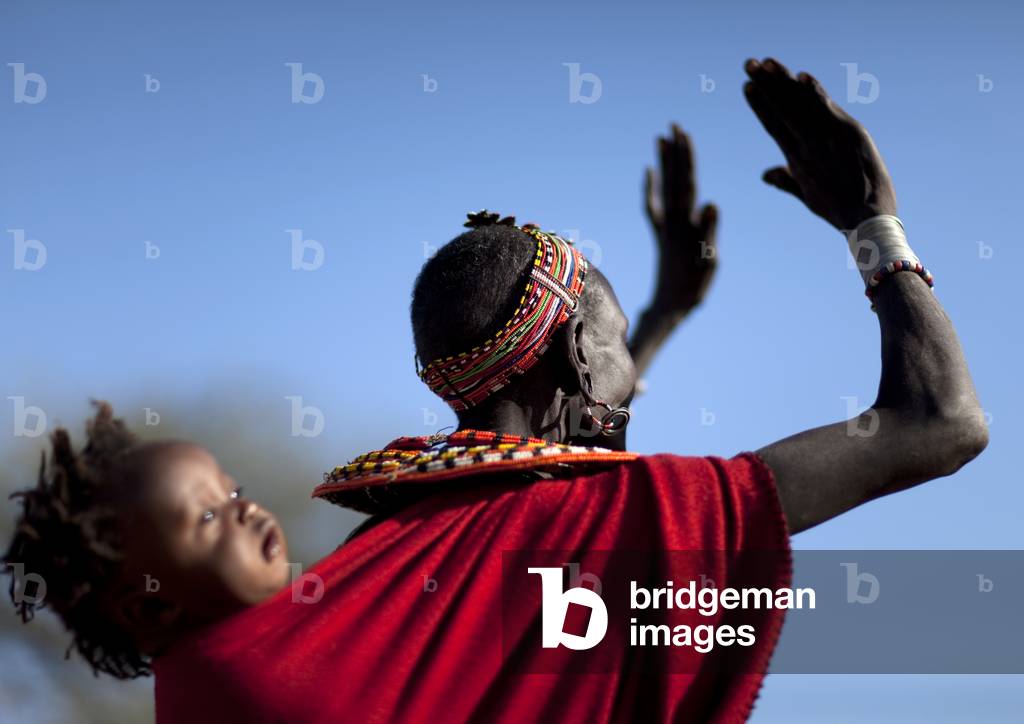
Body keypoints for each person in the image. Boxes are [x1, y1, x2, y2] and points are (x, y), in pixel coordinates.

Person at [4, 58, 987, 723]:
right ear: (578, 360)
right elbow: (940, 422)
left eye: (228, 491)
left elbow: (550, 454)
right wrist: (873, 227)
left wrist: (653, 318)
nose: (247, 506)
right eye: (210, 513)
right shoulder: (570, 534)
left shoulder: (387, 554)